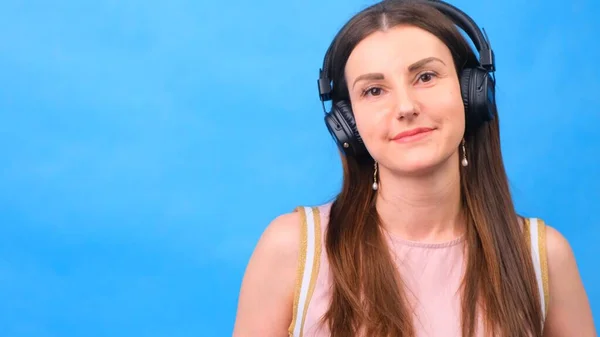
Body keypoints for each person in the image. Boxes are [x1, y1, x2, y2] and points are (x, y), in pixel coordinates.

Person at [232, 0, 596, 336]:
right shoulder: (293, 249)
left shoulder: (541, 255)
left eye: (425, 77)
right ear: (348, 123)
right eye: (374, 90)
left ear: (472, 94)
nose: (405, 107)